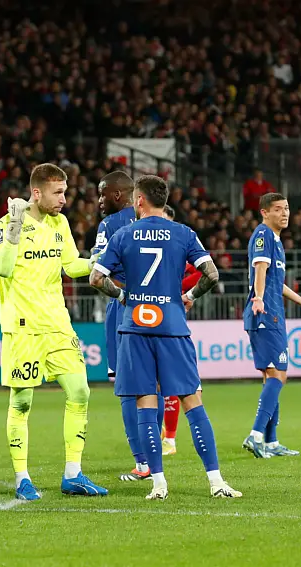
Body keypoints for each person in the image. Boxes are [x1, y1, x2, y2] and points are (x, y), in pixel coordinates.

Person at [90, 174, 241, 500]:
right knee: (192, 402)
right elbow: (211, 274)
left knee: (145, 403)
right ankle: (216, 482)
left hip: (135, 327)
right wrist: (189, 296)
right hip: (172, 327)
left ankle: (158, 483)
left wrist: (122, 296)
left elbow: (96, 278)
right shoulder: (183, 233)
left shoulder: (123, 234)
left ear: (139, 200)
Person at [0, 163, 107, 501]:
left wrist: (101, 261)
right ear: (37, 192)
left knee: (80, 391)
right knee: (22, 401)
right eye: (58, 193)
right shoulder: (6, 224)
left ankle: (73, 474)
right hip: (23, 326)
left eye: (64, 192)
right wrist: (15, 225)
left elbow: (71, 266)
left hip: (57, 324)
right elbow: (4, 268)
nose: (64, 199)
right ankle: (22, 478)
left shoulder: (60, 223)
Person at [242, 193, 301, 458]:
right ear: (264, 212)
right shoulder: (264, 235)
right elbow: (260, 268)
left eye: (287, 208)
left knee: (274, 375)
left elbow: (275, 280)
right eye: (278, 209)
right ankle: (256, 435)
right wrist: (259, 298)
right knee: (277, 375)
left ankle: (270, 442)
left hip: (273, 314)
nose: (285, 213)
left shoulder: (276, 241)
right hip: (265, 314)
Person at [91, 171, 151, 482]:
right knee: (152, 386)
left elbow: (98, 271)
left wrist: (121, 294)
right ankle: (156, 455)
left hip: (124, 307)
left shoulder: (110, 225)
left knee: (126, 387)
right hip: (158, 308)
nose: (99, 201)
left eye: (102, 194)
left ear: (117, 195)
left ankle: (142, 463)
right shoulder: (154, 220)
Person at [160, 204, 202, 456]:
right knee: (155, 384)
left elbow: (202, 272)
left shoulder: (180, 245)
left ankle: (170, 439)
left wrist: (180, 290)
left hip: (171, 321)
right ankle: (162, 436)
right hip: (148, 320)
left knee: (173, 382)